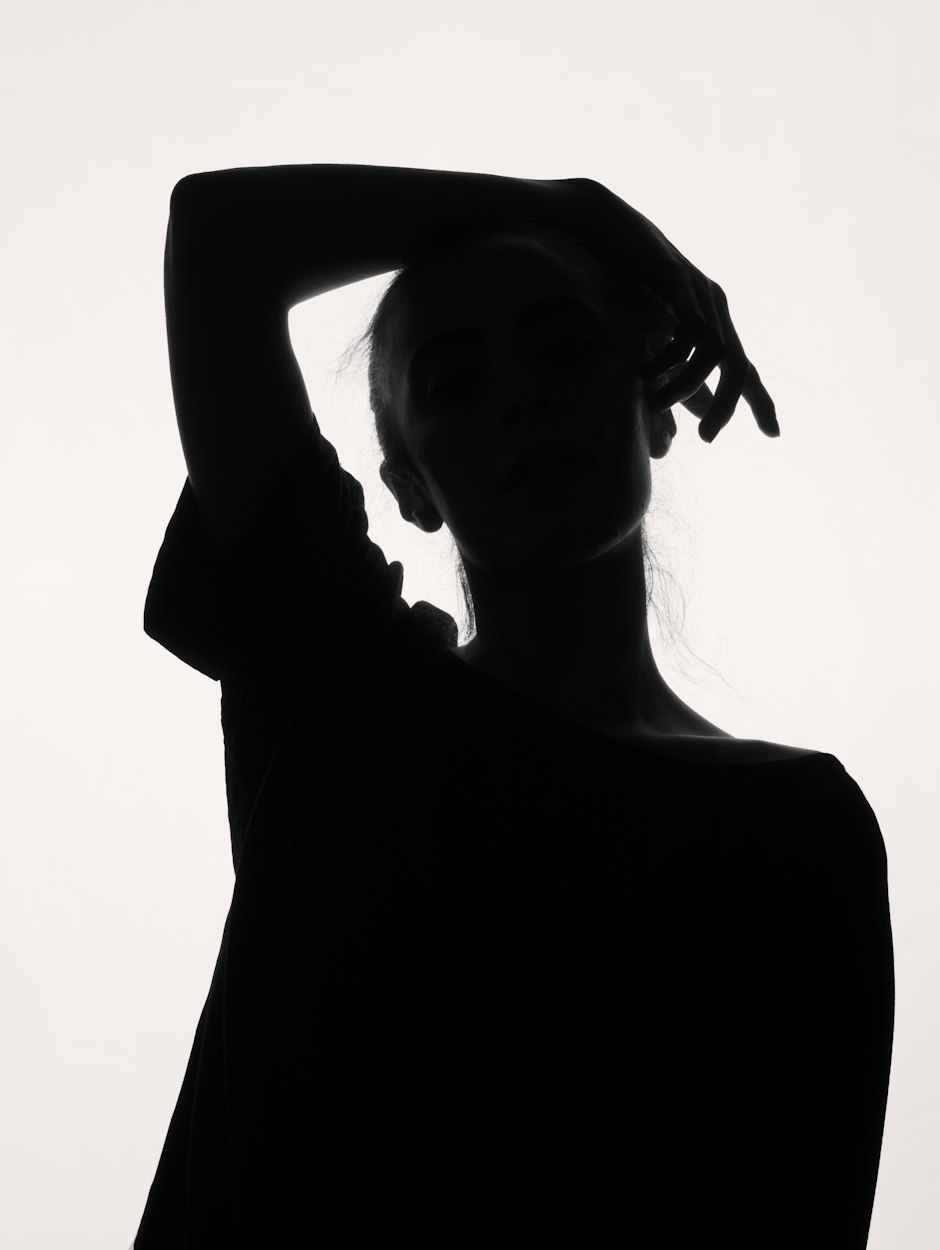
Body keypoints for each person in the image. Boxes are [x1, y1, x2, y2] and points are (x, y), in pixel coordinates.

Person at [132, 166, 894, 1248]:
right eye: (452, 382)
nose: (520, 395)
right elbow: (216, 235)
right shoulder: (340, 689)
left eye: (563, 343)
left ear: (654, 402)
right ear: (408, 486)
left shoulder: (799, 827)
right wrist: (566, 206)